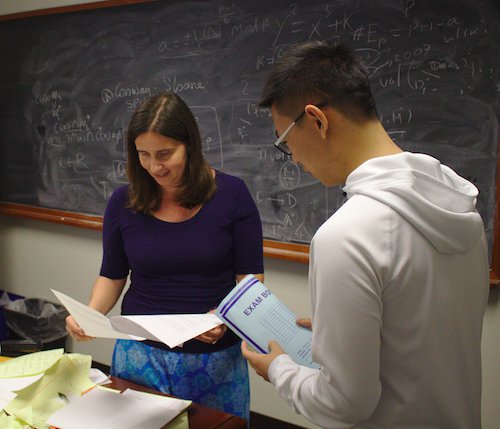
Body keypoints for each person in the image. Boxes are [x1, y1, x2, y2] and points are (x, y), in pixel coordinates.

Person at [241, 41, 489, 428]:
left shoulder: (347, 236)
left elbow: (343, 404)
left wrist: (278, 370)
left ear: (317, 120)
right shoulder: (458, 206)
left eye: (286, 141)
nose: (296, 159)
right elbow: (422, 331)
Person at [66, 92, 264, 421]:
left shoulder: (233, 195)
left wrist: (224, 318)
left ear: (190, 144)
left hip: (213, 361)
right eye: (143, 155)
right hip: (139, 355)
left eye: (165, 153)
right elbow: (112, 276)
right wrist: (89, 315)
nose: (154, 166)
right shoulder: (122, 201)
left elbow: (251, 282)